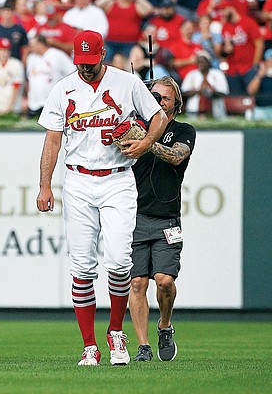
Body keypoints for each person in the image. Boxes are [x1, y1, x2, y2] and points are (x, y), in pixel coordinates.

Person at [36, 30, 167, 366]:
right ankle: (90, 345)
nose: (86, 69)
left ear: (103, 54)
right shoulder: (63, 88)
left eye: (91, 62)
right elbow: (52, 141)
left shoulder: (127, 83)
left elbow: (159, 117)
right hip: (78, 180)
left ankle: (115, 332)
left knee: (121, 260)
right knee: (81, 267)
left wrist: (146, 143)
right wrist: (45, 185)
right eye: (81, 63)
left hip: (118, 180)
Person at [129, 76, 196, 362]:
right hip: (134, 216)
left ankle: (165, 326)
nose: (158, 101)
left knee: (165, 280)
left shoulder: (184, 130)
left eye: (164, 97)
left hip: (167, 218)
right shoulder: (137, 125)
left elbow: (176, 156)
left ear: (175, 104)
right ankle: (143, 345)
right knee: (137, 284)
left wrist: (146, 141)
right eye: (153, 95)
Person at [181, 50, 228, 119]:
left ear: (208, 62)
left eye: (203, 61)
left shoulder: (218, 74)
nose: (201, 64)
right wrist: (199, 91)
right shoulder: (192, 74)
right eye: (199, 61)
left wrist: (211, 92)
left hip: (216, 112)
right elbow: (184, 92)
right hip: (194, 110)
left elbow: (224, 92)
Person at [246, 48, 272, 120]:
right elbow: (250, 91)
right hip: (261, 109)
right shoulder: (258, 74)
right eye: (270, 61)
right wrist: (259, 76)